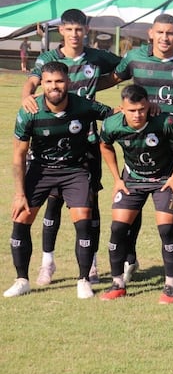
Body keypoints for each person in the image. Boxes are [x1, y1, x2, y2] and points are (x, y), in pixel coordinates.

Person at [22, 8, 122, 287]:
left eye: (79, 29)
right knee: (51, 203)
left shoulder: (96, 57)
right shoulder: (49, 59)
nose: (75, 34)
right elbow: (31, 81)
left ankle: (90, 262)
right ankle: (47, 262)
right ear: (62, 31)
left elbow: (124, 70)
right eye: (69, 29)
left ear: (85, 31)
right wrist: (26, 96)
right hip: (52, 141)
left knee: (90, 204)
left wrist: (101, 84)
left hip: (87, 142)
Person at [5, 61, 113, 299]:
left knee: (83, 219)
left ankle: (83, 280)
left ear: (68, 82)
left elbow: (115, 115)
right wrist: (20, 193)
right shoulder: (29, 111)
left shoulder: (83, 106)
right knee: (21, 218)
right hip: (40, 169)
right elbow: (19, 155)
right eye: (49, 82)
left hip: (74, 170)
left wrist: (145, 110)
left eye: (59, 81)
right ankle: (22, 279)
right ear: (42, 84)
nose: (55, 87)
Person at [110, 13, 173, 285]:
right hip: (137, 147)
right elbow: (112, 78)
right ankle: (128, 259)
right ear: (151, 33)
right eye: (160, 32)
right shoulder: (135, 57)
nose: (165, 37)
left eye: (170, 33)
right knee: (131, 208)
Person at [99, 84, 173, 303]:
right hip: (132, 179)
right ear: (122, 108)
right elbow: (105, 146)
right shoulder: (112, 124)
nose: (137, 115)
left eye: (141, 109)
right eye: (132, 110)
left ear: (148, 106)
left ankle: (170, 285)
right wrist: (117, 179)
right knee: (118, 228)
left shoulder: (165, 122)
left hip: (163, 179)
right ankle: (117, 283)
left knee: (166, 228)